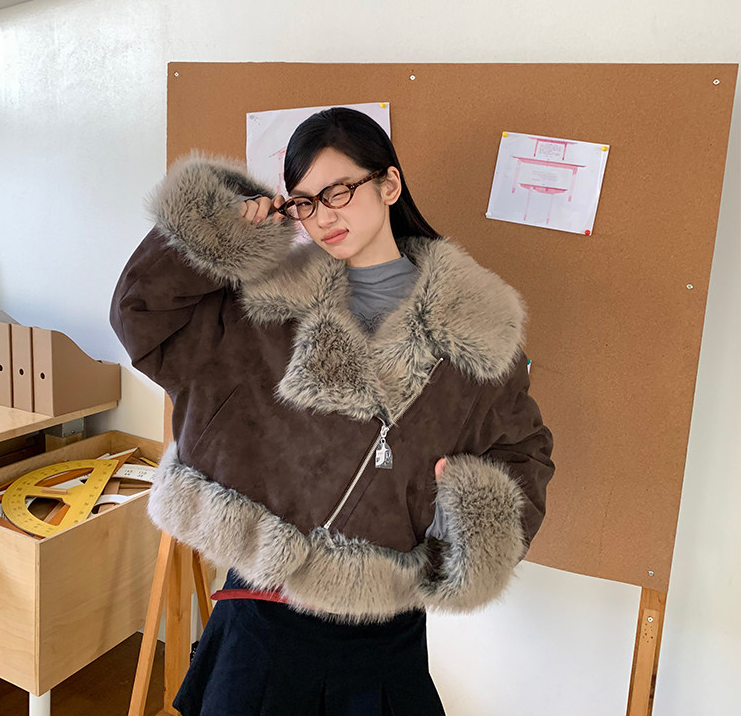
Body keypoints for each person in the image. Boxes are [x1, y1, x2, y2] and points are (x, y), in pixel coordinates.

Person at [110, 107, 554, 715]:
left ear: (389, 184)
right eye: (305, 202)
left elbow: (524, 451)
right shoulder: (264, 303)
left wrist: (470, 510)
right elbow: (143, 320)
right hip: (261, 615)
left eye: (338, 191)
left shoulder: (475, 337)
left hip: (382, 636)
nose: (323, 216)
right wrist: (219, 236)